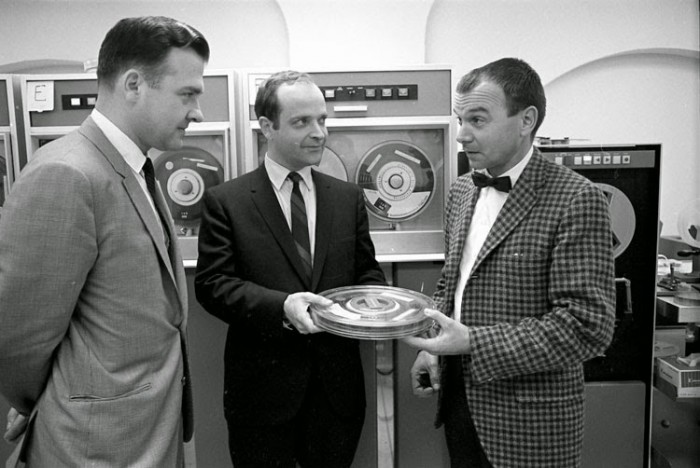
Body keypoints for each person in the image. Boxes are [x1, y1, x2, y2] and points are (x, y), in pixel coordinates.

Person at [0, 16, 209, 467]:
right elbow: (19, 335)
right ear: (134, 84)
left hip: (145, 429)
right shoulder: (67, 172)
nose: (198, 112)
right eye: (188, 94)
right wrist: (47, 401)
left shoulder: (136, 167)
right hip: (96, 446)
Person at [403, 58, 616, 468]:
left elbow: (588, 325)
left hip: (529, 421)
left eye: (478, 120)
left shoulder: (576, 199)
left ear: (526, 120)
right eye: (460, 118)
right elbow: (453, 282)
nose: (462, 134)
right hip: (460, 403)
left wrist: (469, 342)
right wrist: (434, 349)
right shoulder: (463, 190)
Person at [194, 70, 386, 468]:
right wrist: (282, 306)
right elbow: (213, 285)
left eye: (322, 120)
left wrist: (377, 308)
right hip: (262, 397)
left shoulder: (347, 199)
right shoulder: (226, 201)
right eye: (302, 122)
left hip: (336, 395)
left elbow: (367, 275)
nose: (319, 133)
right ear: (267, 127)